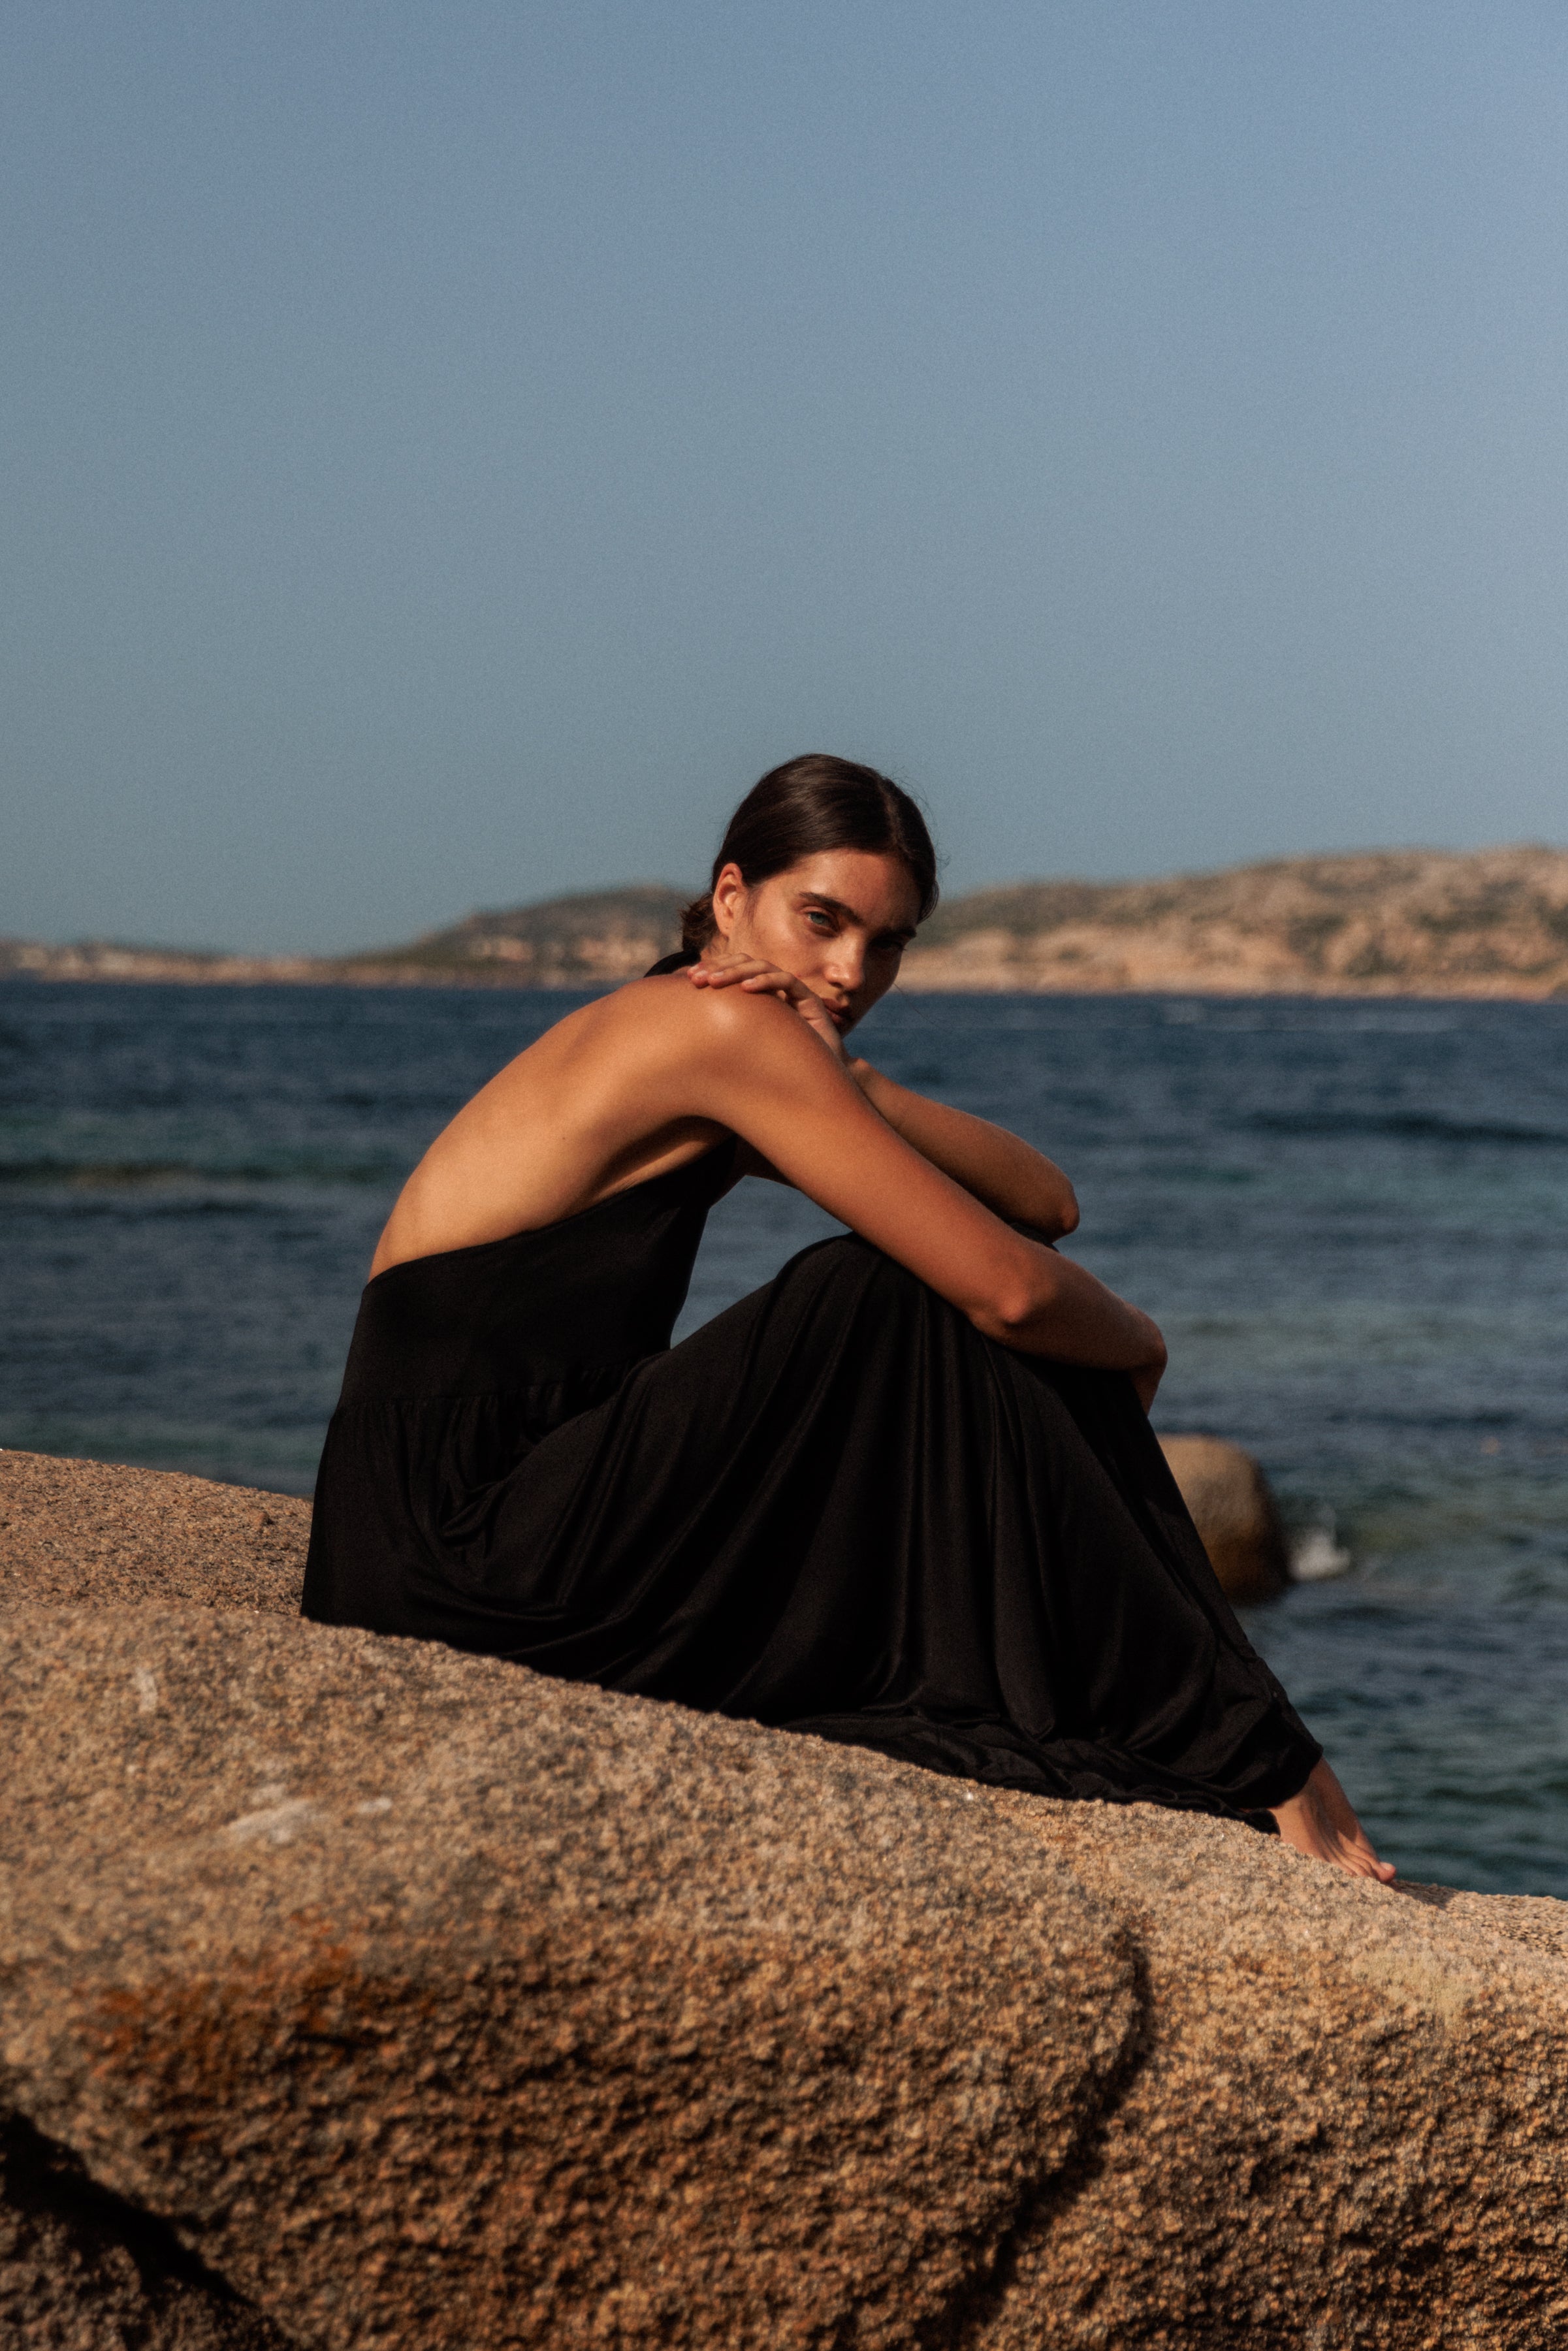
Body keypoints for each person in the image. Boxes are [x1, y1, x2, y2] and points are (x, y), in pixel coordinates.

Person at [302, 753, 1394, 1881]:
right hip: (461, 1550)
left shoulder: (722, 1035)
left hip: (450, 1527)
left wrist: (858, 1084)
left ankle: (1221, 1726)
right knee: (877, 1293)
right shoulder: (714, 1031)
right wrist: (1139, 1341)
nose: (845, 969)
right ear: (731, 900)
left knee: (900, 1289)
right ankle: (1252, 1748)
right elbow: (1010, 1287)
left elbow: (1045, 1203)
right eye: (819, 920)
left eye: (886, 944)